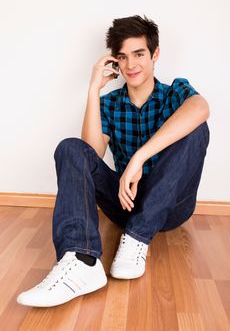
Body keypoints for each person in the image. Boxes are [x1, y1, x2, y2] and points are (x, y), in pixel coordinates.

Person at [17, 15, 210, 307]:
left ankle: (137, 238)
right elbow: (89, 156)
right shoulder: (110, 104)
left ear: (155, 54)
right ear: (115, 62)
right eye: (122, 57)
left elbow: (201, 108)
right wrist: (94, 89)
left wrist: (138, 158)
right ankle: (81, 260)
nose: (131, 65)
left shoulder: (175, 93)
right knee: (70, 148)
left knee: (197, 128)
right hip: (126, 204)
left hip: (171, 208)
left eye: (139, 54)